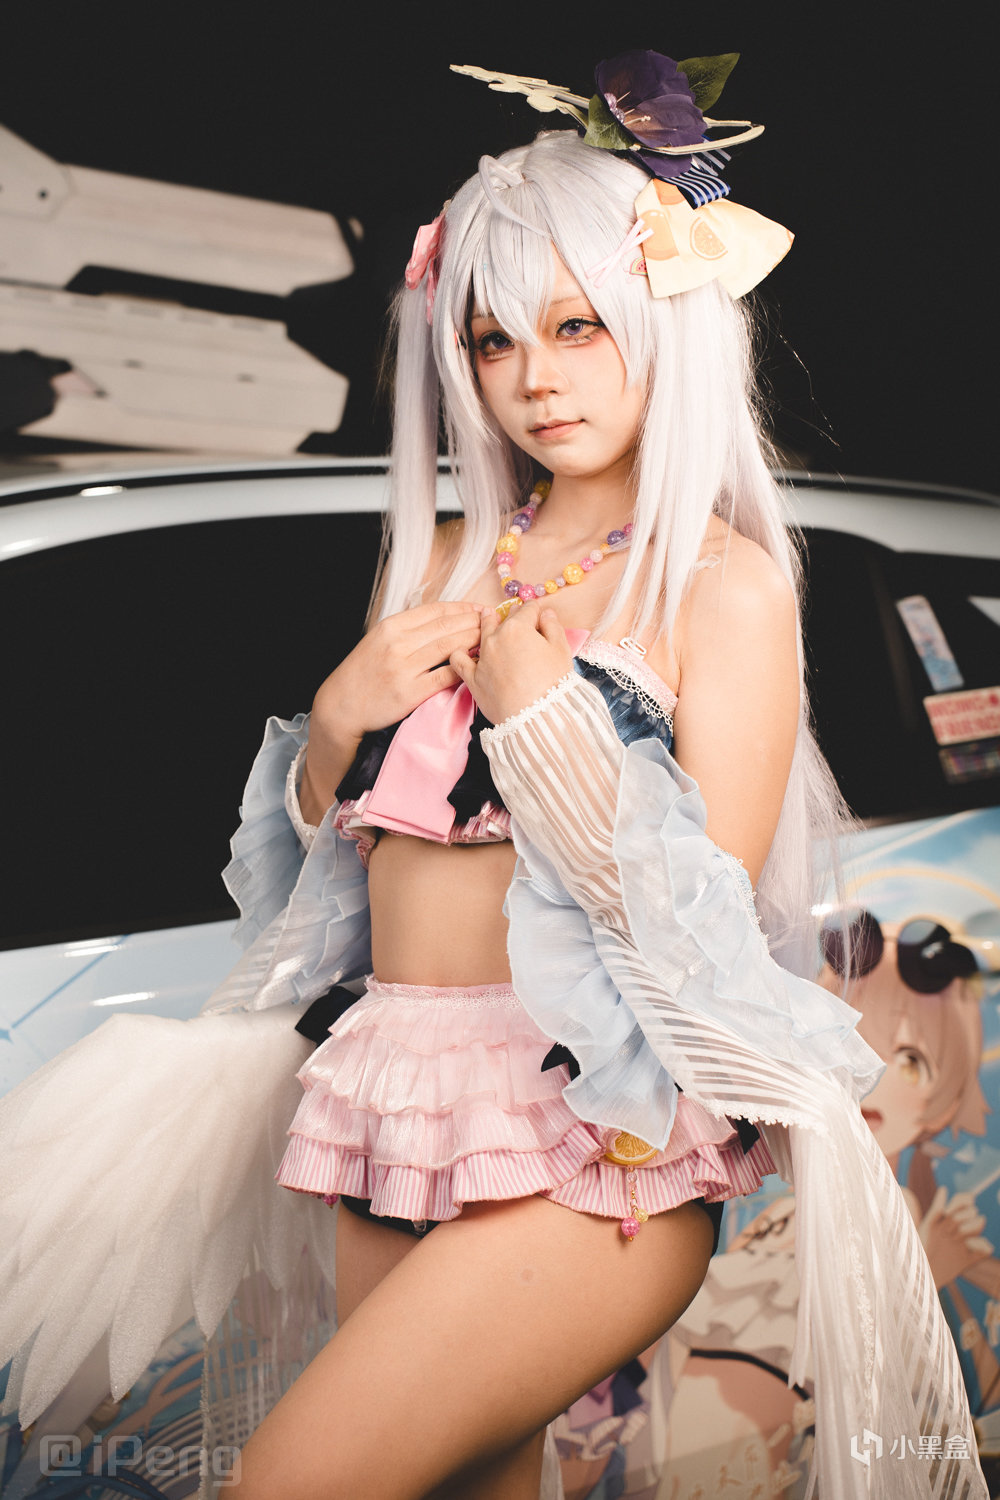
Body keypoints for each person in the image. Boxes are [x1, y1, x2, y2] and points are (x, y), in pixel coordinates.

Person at [0, 48, 987, 1500]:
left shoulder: (722, 584)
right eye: (493, 341)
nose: (535, 379)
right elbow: (321, 897)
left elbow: (701, 922)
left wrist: (544, 729)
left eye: (577, 327)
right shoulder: (454, 559)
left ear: (661, 321)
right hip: (396, 1091)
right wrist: (335, 721)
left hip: (591, 1128)